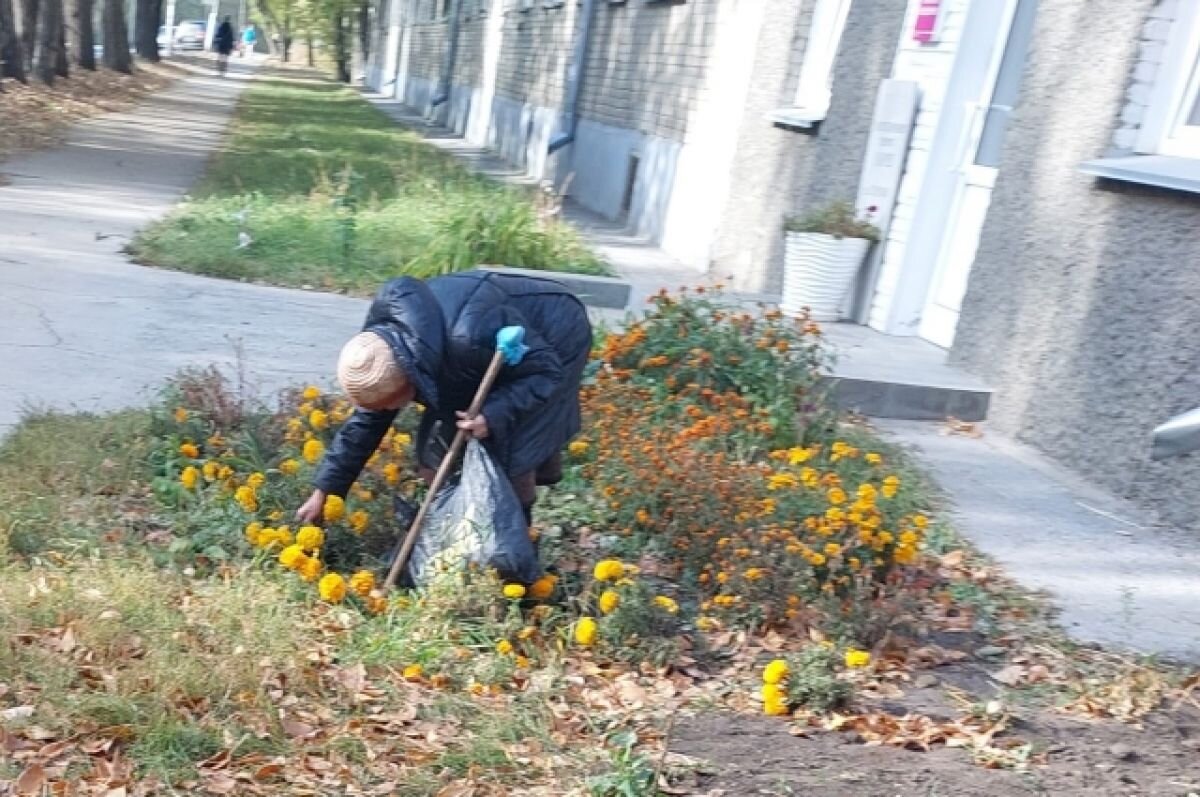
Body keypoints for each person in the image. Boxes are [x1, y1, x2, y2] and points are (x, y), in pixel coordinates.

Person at [296, 270, 593, 534]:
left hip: (554, 332)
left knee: (513, 450)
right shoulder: (385, 346)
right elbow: (367, 422)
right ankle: (449, 531)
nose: (386, 412)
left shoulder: (469, 336)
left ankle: (515, 550)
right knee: (435, 454)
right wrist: (326, 491)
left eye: (390, 403)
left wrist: (492, 414)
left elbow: (544, 371)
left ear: (408, 380)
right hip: (470, 351)